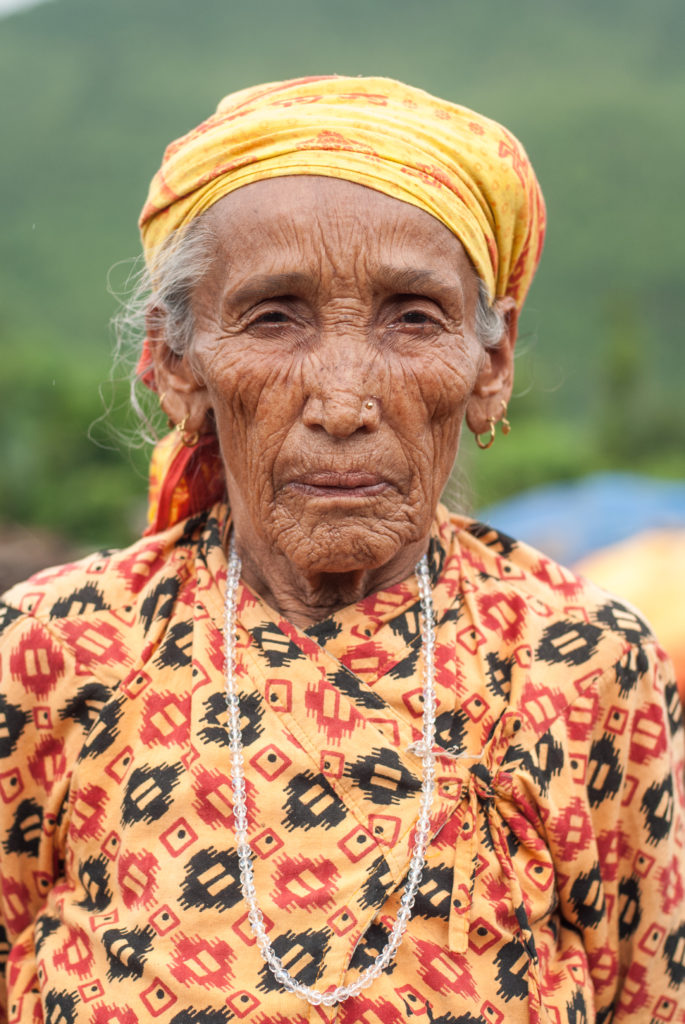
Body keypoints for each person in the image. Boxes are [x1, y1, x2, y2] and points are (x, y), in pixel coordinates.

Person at [0, 75, 682, 1024]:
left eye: (413, 317)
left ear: (491, 364)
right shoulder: (50, 655)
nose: (343, 402)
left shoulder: (586, 666)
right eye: (274, 316)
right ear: (175, 363)